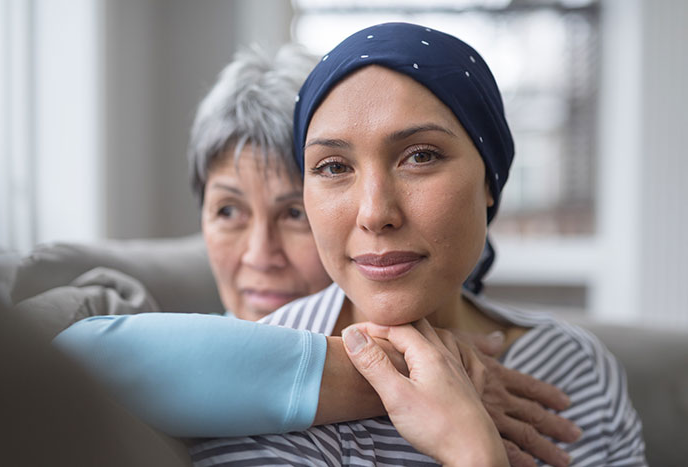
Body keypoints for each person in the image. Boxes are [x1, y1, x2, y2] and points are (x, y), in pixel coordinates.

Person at [54, 40, 590, 466]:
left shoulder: (566, 368)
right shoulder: (154, 335)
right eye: (228, 211)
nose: (260, 255)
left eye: (292, 214)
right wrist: (398, 376)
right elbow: (62, 364)